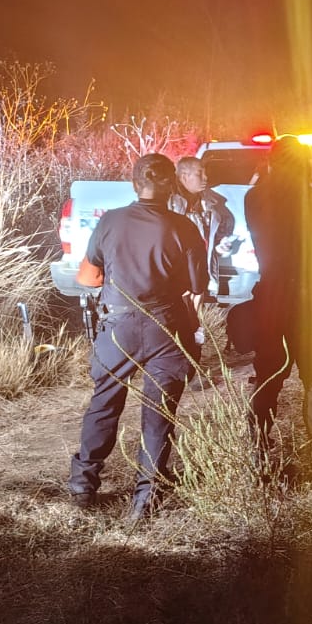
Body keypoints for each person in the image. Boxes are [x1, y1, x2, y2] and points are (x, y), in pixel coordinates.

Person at [66, 153, 207, 523]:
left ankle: (83, 485)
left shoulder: (110, 222)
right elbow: (197, 287)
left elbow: (87, 278)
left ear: (134, 183)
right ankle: (145, 500)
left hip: (119, 325)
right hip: (166, 327)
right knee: (158, 413)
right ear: (171, 185)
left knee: (104, 403)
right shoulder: (185, 228)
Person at [243, 135, 312, 477]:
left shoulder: (254, 197)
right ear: (305, 165)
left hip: (272, 297)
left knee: (268, 377)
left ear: (272, 162)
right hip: (311, 298)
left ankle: (259, 454)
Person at [168, 155, 235, 378]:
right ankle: (176, 368)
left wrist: (221, 247)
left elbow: (216, 235)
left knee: (194, 322)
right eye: (200, 173)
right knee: (176, 320)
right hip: (175, 275)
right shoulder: (168, 202)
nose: (206, 177)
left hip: (197, 273)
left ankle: (189, 368)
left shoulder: (211, 202)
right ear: (184, 176)